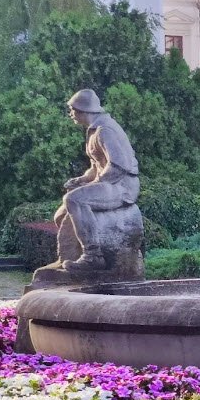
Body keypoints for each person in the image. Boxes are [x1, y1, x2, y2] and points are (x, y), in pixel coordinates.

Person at [57, 89, 140, 271]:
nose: (71, 114)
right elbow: (97, 166)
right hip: (110, 182)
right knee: (61, 214)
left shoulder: (105, 130)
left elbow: (119, 165)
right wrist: (81, 180)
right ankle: (67, 254)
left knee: (74, 200)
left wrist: (96, 183)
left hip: (122, 186)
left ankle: (93, 255)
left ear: (83, 109)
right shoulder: (94, 130)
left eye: (72, 110)